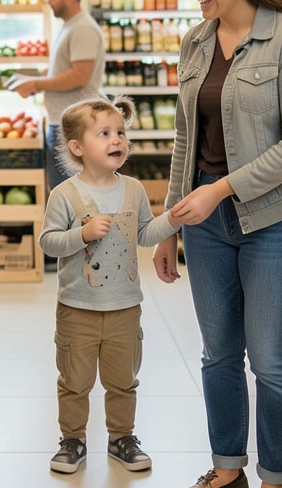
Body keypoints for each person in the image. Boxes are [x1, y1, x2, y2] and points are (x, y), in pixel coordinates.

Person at [152, 0, 282, 488]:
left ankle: (275, 476)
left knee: (271, 361)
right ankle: (229, 469)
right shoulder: (196, 42)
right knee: (218, 354)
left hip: (274, 221)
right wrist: (171, 224)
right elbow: (185, 139)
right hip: (203, 225)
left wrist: (220, 190)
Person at [39, 96, 179, 476]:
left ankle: (122, 438)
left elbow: (146, 234)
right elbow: (48, 242)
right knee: (74, 382)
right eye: (104, 133)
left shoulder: (132, 189)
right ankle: (72, 440)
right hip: (77, 309)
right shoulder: (64, 195)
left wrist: (173, 220)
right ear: (78, 148)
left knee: (122, 381)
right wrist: (81, 233)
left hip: (124, 307)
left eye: (120, 132)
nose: (117, 139)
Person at [6, 0, 105, 190]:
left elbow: (80, 75)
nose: (48, 0)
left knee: (70, 196)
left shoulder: (83, 28)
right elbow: (64, 69)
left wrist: (37, 84)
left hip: (72, 126)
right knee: (63, 193)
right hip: (62, 123)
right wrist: (34, 78)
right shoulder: (71, 26)